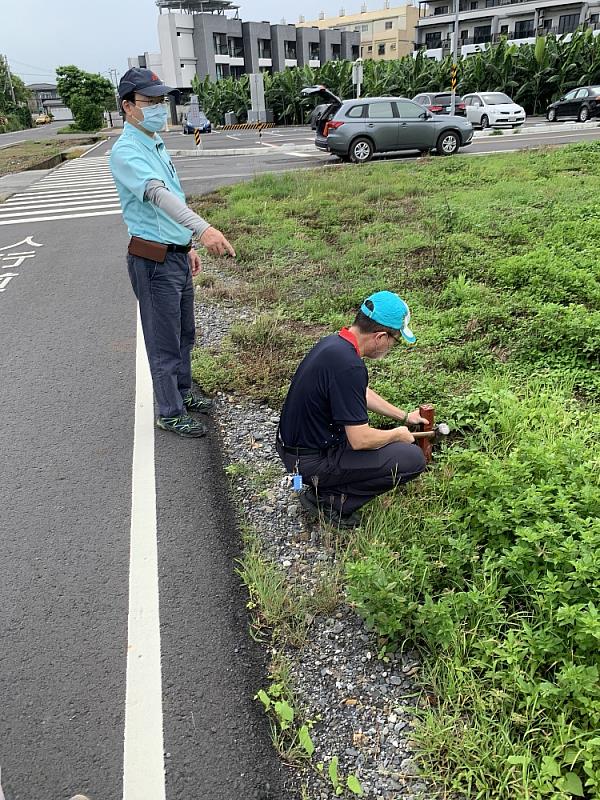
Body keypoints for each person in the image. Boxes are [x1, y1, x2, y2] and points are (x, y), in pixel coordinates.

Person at [109, 68, 235, 438]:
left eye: (161, 100)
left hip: (175, 254)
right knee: (163, 340)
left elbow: (172, 200)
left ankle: (182, 393)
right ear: (128, 106)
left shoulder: (154, 143)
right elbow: (158, 196)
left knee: (184, 333)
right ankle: (169, 411)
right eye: (149, 101)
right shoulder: (127, 151)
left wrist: (188, 244)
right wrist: (203, 228)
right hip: (152, 260)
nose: (159, 108)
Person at [276, 291, 428, 527]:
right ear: (380, 337)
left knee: (388, 443)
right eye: (394, 341)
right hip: (309, 461)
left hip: (294, 449)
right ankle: (328, 501)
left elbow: (361, 393)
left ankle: (322, 485)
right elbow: (360, 440)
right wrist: (398, 434)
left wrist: (405, 417)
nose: (391, 347)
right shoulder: (349, 366)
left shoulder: (335, 345)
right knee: (411, 458)